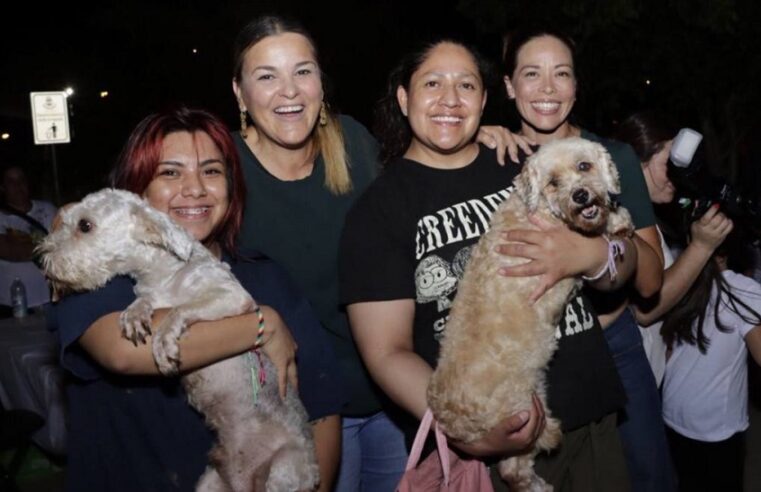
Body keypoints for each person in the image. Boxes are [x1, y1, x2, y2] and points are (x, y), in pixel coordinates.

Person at [228, 15, 533, 491]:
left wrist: (477, 138)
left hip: (393, 399)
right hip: (296, 409)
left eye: (302, 72)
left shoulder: (353, 144)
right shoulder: (221, 173)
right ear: (240, 93)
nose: (289, 91)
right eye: (266, 77)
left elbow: (422, 183)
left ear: (321, 84)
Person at [340, 39, 641, 491]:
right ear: (404, 98)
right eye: (432, 84)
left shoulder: (528, 163)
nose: (450, 99)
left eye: (466, 85)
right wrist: (463, 429)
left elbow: (627, 259)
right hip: (492, 439)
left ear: (484, 100)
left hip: (590, 415)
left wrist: (596, 256)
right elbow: (386, 352)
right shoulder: (376, 213)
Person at [52, 107, 345, 491]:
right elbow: (124, 351)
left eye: (211, 171)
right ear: (137, 194)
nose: (195, 188)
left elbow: (322, 414)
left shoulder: (265, 276)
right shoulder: (98, 276)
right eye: (170, 173)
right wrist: (262, 324)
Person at [501, 28, 671, 491]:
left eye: (562, 74)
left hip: (613, 347)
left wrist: (595, 254)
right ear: (509, 86)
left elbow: (652, 281)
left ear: (576, 86)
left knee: (647, 478)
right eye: (531, 74)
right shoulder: (495, 158)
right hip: (531, 358)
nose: (548, 89)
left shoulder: (607, 156)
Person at [614, 111, 734, 387]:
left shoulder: (648, 222)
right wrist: (702, 247)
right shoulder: (619, 221)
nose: (677, 175)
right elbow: (644, 311)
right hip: (631, 387)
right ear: (637, 160)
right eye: (670, 162)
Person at [659, 229, 761, 492]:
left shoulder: (677, 273)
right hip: (715, 426)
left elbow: (668, 348)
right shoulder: (742, 289)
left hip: (673, 411)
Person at [0, 164, 57, 317]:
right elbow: (9, 251)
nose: (18, 186)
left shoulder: (47, 210)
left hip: (50, 300)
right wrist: (48, 249)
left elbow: (63, 244)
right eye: (11, 182)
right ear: (3, 187)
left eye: (21, 180)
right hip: (11, 305)